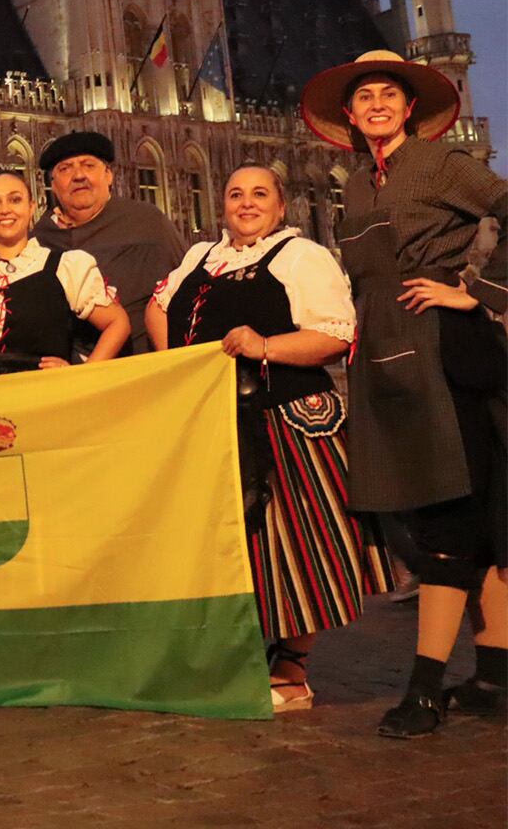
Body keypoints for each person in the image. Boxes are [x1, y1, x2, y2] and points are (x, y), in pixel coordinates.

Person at [300, 48, 508, 738]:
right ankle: (495, 676)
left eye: (389, 94)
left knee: (454, 513)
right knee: (449, 515)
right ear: (351, 116)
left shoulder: (440, 164)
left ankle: (423, 690)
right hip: (385, 356)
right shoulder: (357, 182)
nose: (378, 106)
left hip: (447, 350)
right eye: (365, 99)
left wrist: (473, 291)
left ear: (409, 106)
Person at [147, 163, 393, 712]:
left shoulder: (302, 257)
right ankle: (242, 654)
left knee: (298, 546)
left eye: (260, 194)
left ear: (282, 207)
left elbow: (334, 334)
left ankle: (292, 668)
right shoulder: (199, 256)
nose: (247, 203)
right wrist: (175, 362)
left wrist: (264, 346)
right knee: (239, 546)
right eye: (236, 193)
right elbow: (158, 305)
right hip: (214, 419)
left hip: (287, 416)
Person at [0, 170, 128, 381]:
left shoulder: (63, 266)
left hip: (42, 397)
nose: (4, 210)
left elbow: (117, 323)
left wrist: (81, 375)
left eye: (15, 200)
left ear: (31, 207)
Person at [34, 131, 185, 355]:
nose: (78, 176)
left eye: (88, 165)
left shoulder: (148, 223)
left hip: (141, 362)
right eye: (65, 169)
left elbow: (189, 287)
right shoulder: (39, 240)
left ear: (109, 175)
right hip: (70, 372)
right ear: (53, 186)